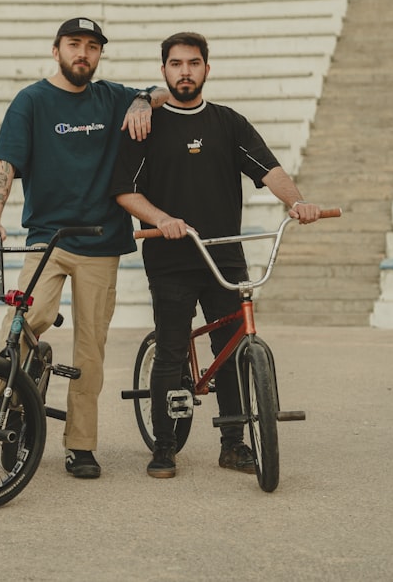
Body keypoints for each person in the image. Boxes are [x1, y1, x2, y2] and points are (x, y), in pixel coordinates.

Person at [108, 32, 322, 479]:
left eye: (193, 63)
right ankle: (164, 446)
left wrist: (297, 202)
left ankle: (234, 444)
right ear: (163, 70)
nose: (185, 71)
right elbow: (125, 192)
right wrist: (163, 219)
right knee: (170, 351)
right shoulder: (145, 125)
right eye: (176, 64)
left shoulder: (229, 123)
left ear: (207, 68)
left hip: (224, 256)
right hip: (170, 258)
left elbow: (270, 170)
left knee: (230, 349)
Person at [0, 17, 169, 479]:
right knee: (26, 319)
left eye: (92, 47)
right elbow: (7, 164)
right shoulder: (32, 101)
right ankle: (3, 406)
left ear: (99, 54)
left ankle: (80, 445)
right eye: (74, 44)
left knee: (90, 350)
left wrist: (142, 99)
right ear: (56, 49)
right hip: (48, 239)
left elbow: (162, 94)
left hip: (102, 244)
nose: (83, 53)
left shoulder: (112, 96)